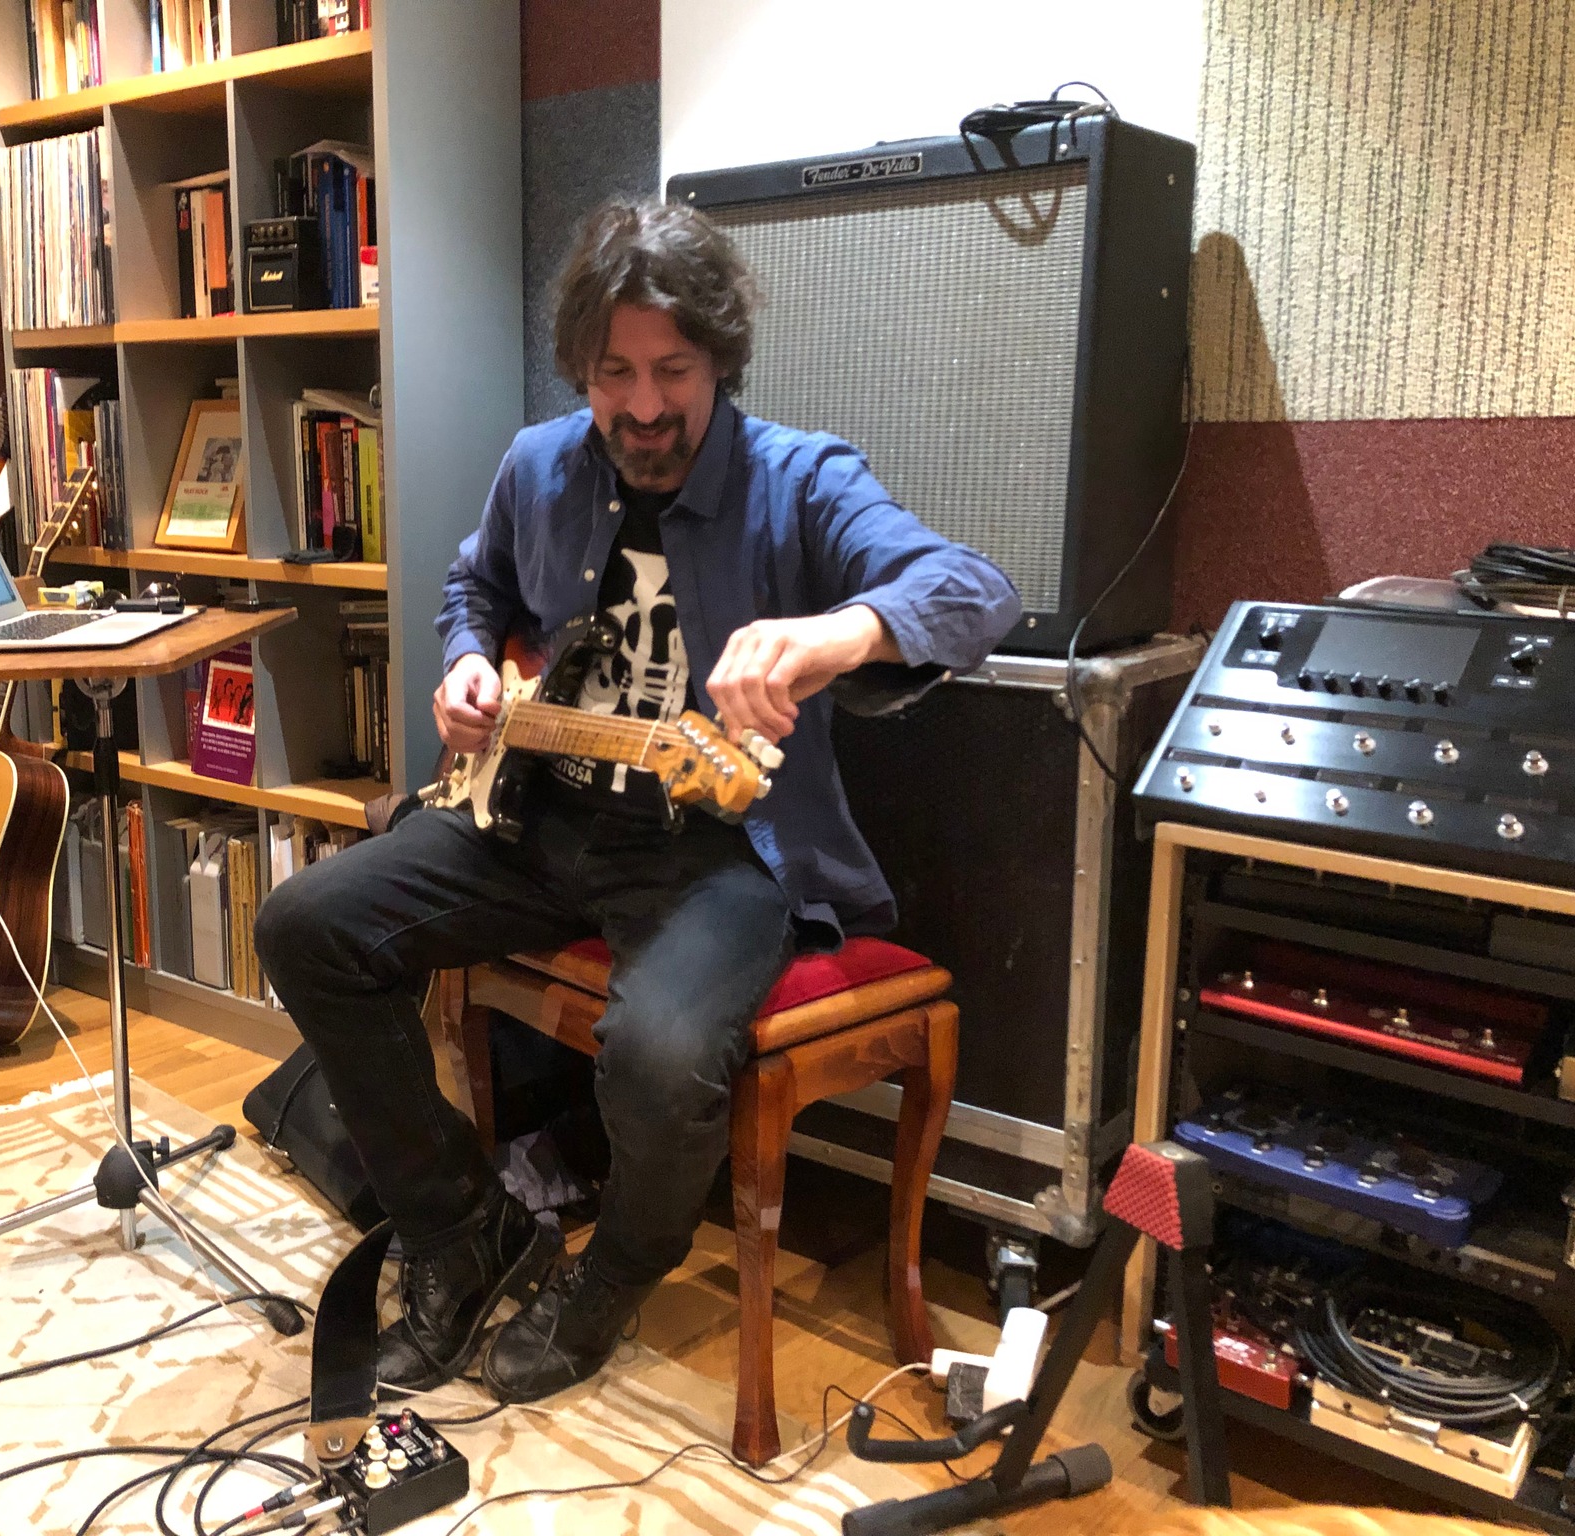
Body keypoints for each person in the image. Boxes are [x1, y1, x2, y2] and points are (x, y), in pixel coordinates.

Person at [254, 196, 1020, 1405]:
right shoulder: (537, 464)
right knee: (304, 925)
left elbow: (974, 590)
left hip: (716, 853)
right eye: (615, 372)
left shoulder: (801, 477)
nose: (645, 405)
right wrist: (465, 663)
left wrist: (838, 633)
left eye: (673, 370)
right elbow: (472, 588)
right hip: (534, 815)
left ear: (719, 360)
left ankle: (612, 1271)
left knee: (659, 1055)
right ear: (581, 369)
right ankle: (461, 1232)